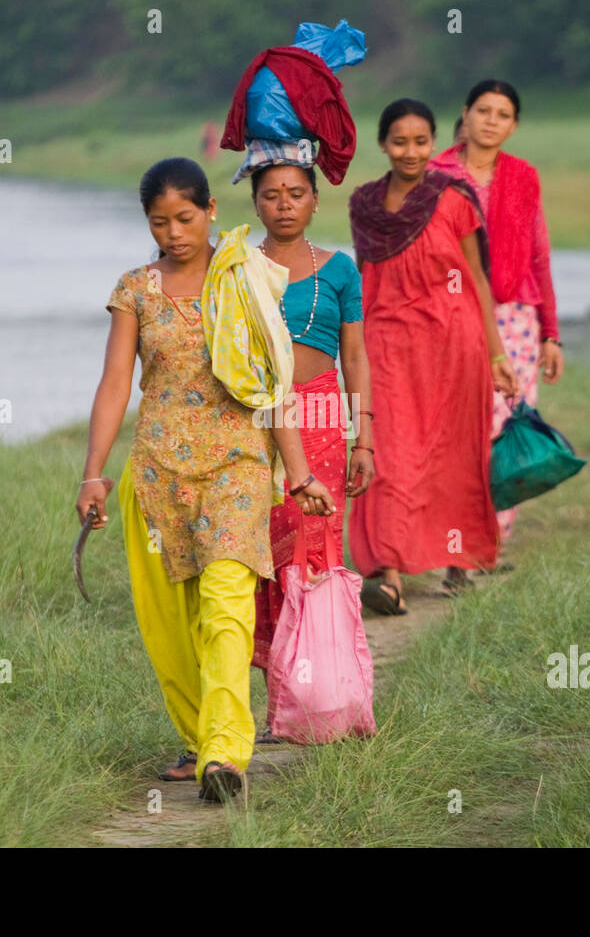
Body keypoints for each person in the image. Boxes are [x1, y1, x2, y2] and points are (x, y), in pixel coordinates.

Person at [76, 157, 335, 803]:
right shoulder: (135, 289)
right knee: (171, 622)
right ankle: (199, 737)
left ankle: (224, 755)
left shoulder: (244, 280)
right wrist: (94, 474)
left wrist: (297, 472)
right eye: (159, 222)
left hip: (237, 470)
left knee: (226, 611)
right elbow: (114, 385)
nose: (173, 232)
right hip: (159, 475)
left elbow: (274, 381)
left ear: (211, 210)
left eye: (185, 218)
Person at [347, 99, 516, 613]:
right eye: (400, 141)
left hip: (453, 342)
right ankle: (389, 576)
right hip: (387, 343)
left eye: (421, 141)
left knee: (452, 452)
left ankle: (457, 559)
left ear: (435, 143)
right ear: (382, 144)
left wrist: (495, 353)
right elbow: (363, 279)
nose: (411, 152)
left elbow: (478, 279)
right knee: (387, 453)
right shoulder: (364, 204)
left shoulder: (455, 198)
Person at [235, 142, 375, 738]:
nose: (284, 205)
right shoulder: (236, 267)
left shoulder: (340, 269)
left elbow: (356, 357)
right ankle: (279, 702)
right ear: (255, 203)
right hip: (251, 424)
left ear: (316, 201)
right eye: (271, 195)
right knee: (264, 553)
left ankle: (327, 697)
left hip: (320, 417)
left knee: (314, 550)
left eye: (296, 194)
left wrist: (362, 437)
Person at [431, 79, 563, 545]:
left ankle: (488, 537)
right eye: (483, 110)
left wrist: (551, 333)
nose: (491, 121)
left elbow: (539, 255)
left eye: (502, 114)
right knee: (456, 426)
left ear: (514, 126)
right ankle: (454, 536)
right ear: (465, 115)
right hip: (448, 314)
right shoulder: (434, 172)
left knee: (503, 422)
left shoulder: (523, 176)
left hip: (515, 317)